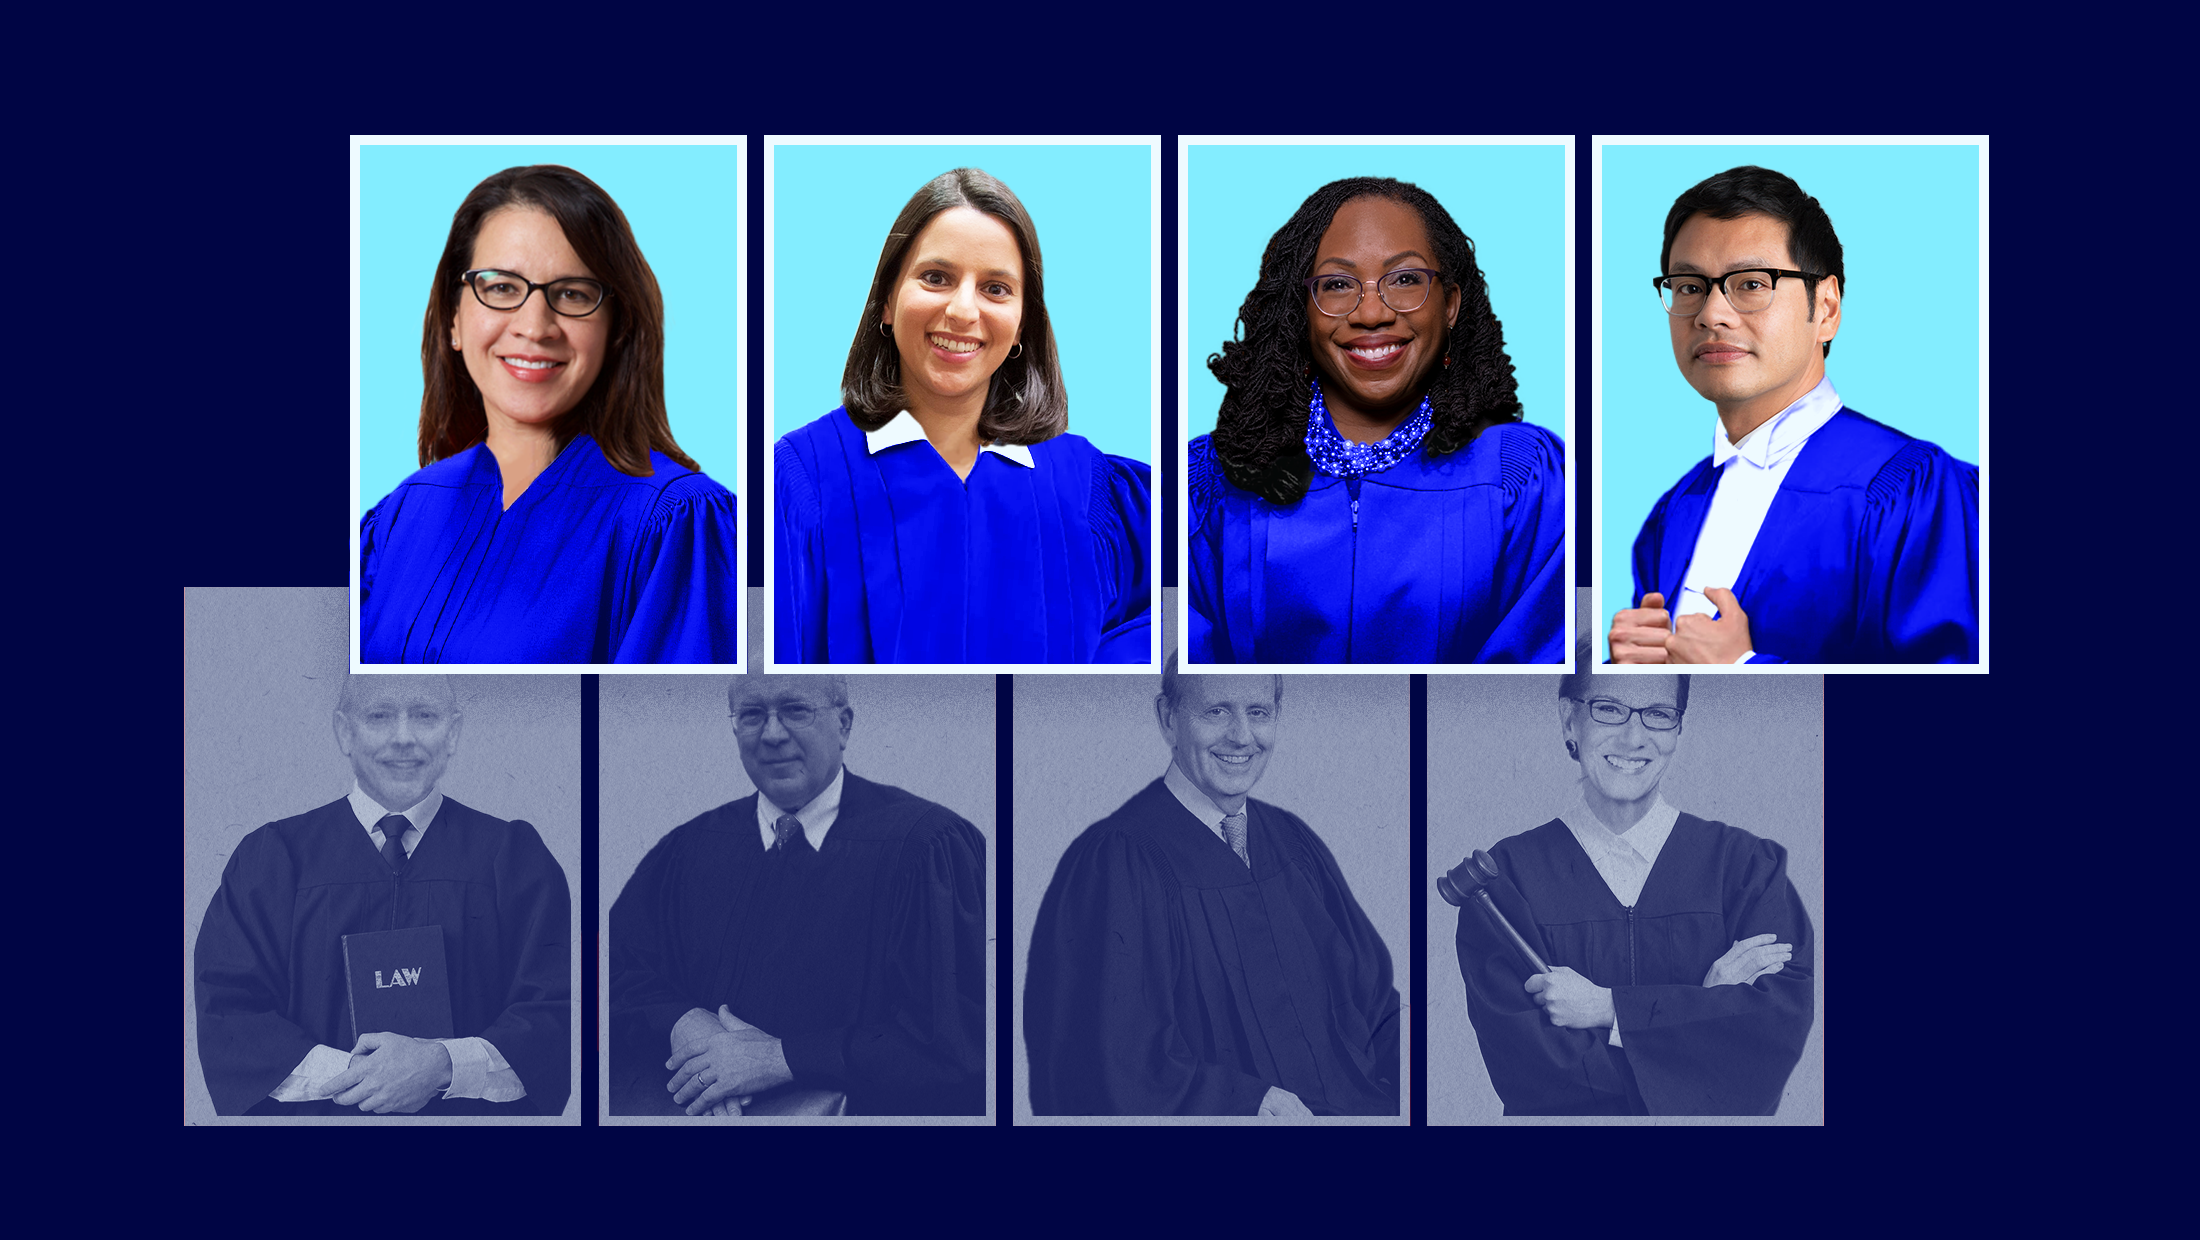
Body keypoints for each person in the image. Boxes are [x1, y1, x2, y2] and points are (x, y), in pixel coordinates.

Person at [361, 164, 739, 663]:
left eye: (572, 294)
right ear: (454, 318)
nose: (534, 326)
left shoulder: (672, 525)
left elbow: (661, 734)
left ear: (617, 327)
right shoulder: (400, 518)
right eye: (500, 287)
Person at [774, 167, 1151, 664]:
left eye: (996, 289)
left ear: (1022, 326)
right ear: (886, 301)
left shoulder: (1089, 488)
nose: (962, 310)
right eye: (936, 278)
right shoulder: (801, 477)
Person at [1611, 165, 1979, 664]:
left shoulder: (1915, 491)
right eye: (1689, 286)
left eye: (1751, 283)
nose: (1711, 314)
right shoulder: (1674, 512)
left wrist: (1743, 671)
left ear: (1825, 308)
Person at [1189, 176, 1564, 663]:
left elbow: (1534, 682)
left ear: (1450, 304)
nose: (1371, 313)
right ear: (1300, 310)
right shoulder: (1213, 481)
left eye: (1405, 279)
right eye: (1338, 284)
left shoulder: (1522, 479)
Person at [1026, 660, 1399, 1115]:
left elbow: (1377, 1003)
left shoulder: (1292, 842)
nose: (1242, 736)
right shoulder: (1118, 861)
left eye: (1259, 712)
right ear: (1168, 718)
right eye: (1217, 711)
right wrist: (1246, 1105)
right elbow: (1106, 1064)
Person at [193, 675, 572, 1116]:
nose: (403, 737)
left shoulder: (514, 859)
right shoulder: (273, 859)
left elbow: (558, 1014)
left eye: (425, 716)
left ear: (452, 732)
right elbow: (230, 1017)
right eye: (379, 716)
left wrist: (441, 1066)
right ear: (344, 731)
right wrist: (365, 1075)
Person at [608, 675, 987, 1116]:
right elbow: (608, 971)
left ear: (843, 725)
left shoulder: (923, 846)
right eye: (752, 715)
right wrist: (678, 1020)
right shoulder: (689, 847)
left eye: (795, 710)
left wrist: (785, 1058)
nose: (772, 734)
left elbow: (958, 1041)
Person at [1450, 658, 1814, 1115]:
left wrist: (1609, 1009)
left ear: (1678, 731)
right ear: (1569, 720)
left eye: (1658, 714)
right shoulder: (1509, 880)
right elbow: (1531, 1075)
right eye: (1608, 708)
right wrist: (1705, 1011)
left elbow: (1769, 1041)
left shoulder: (1746, 869)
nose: (1633, 737)